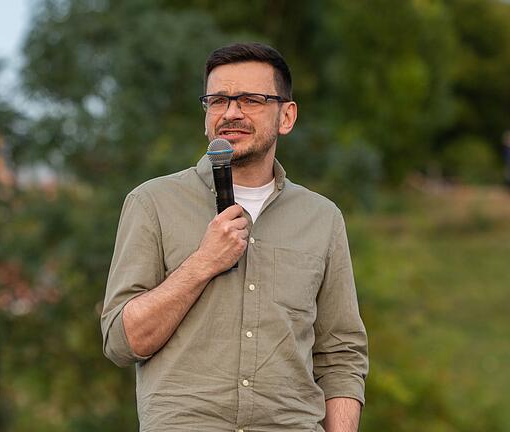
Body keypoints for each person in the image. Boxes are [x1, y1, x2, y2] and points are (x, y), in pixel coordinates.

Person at [101, 43, 368, 432]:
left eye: (251, 100)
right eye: (218, 100)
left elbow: (341, 354)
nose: (231, 113)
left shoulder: (322, 219)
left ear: (286, 116)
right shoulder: (151, 203)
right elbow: (122, 342)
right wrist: (202, 262)